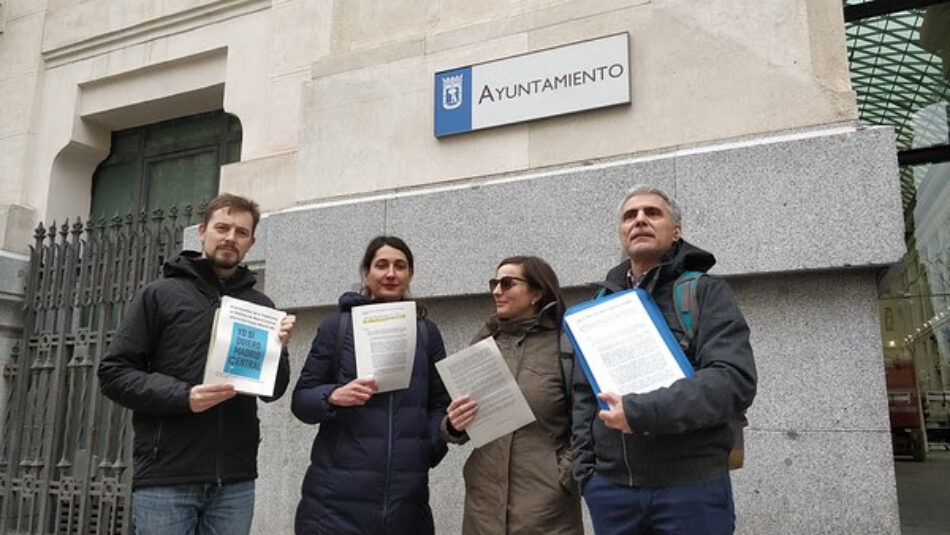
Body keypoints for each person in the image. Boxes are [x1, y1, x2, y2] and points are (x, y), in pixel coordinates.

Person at [98, 193, 295, 535]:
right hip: (167, 476)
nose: (230, 237)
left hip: (234, 480)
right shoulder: (159, 294)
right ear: (202, 231)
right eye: (222, 227)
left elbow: (273, 391)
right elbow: (114, 373)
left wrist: (279, 349)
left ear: (252, 242)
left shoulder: (261, 305)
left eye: (241, 232)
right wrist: (184, 396)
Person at [572, 185, 757, 535]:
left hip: (691, 491)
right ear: (621, 234)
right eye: (630, 216)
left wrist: (639, 412)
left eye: (652, 213)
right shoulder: (598, 304)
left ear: (676, 232)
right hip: (611, 493)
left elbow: (732, 380)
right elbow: (584, 395)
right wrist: (587, 477)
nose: (639, 220)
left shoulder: (704, 292)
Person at [292, 236, 450, 535]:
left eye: (400, 266)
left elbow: (440, 403)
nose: (391, 273)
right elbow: (301, 400)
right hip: (334, 504)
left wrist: (425, 449)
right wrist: (333, 396)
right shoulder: (336, 327)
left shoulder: (427, 333)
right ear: (366, 274)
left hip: (405, 505)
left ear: (410, 275)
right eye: (382, 265)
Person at [444, 256, 583, 535]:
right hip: (483, 506)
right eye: (494, 283)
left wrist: (563, 476)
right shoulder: (484, 342)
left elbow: (588, 421)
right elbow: (465, 424)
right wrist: (453, 424)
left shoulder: (566, 344)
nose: (497, 291)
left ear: (537, 292)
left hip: (546, 508)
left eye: (507, 283)